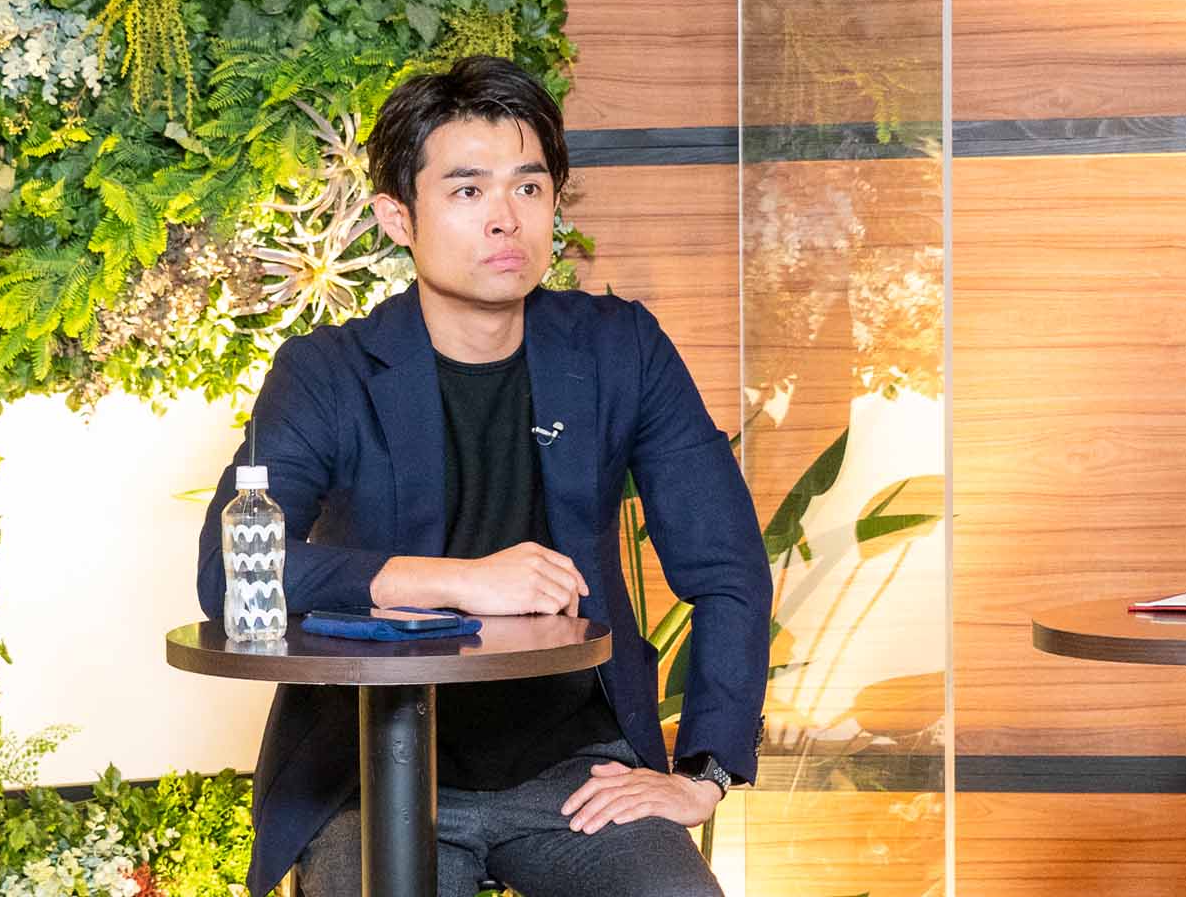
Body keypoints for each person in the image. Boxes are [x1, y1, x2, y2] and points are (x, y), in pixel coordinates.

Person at [193, 56, 769, 897]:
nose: (506, 219)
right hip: (367, 770)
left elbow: (728, 566)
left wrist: (705, 773)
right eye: (467, 190)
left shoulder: (619, 349)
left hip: (576, 772)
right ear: (398, 216)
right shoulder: (326, 373)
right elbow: (229, 571)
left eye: (528, 187)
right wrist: (457, 581)